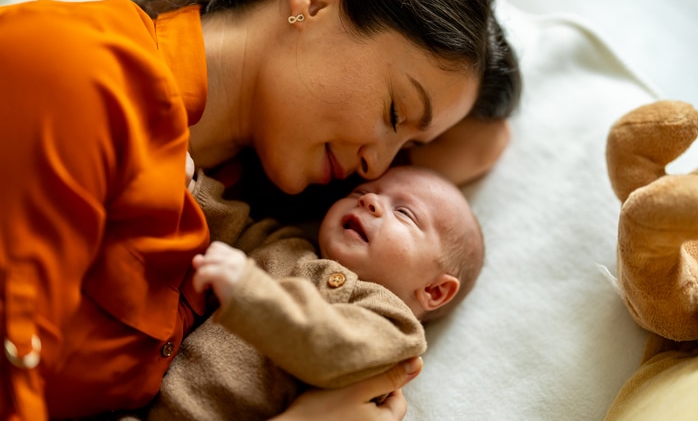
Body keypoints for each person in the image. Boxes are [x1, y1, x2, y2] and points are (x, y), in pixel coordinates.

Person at [0, 0, 520, 419]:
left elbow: (486, 141)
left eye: (409, 149)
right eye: (392, 111)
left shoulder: (245, 200)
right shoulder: (75, 79)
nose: (378, 171)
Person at [141, 165, 484, 420]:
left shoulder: (393, 326)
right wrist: (192, 187)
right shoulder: (287, 245)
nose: (371, 201)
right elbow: (234, 224)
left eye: (405, 213)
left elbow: (333, 348)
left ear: (435, 290)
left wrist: (249, 293)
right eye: (361, 191)